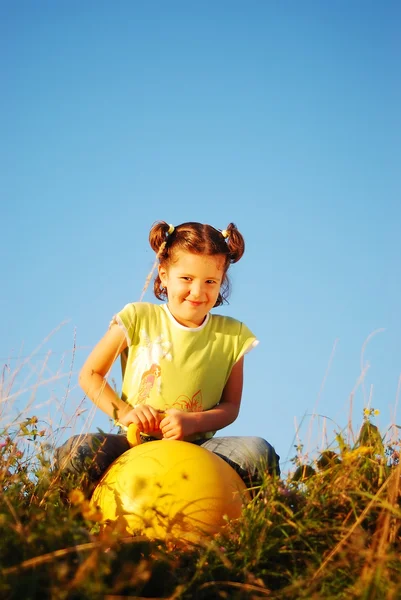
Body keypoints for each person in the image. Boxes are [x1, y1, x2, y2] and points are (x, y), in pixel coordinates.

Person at [56, 221, 280, 494]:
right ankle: (73, 528)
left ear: (222, 282)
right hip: (133, 442)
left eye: (210, 281)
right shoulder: (137, 317)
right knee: (76, 451)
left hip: (200, 448)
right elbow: (90, 375)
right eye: (186, 278)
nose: (198, 291)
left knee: (258, 452)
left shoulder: (233, 335)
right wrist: (129, 414)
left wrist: (191, 423)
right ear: (163, 275)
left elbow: (231, 406)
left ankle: (253, 531)